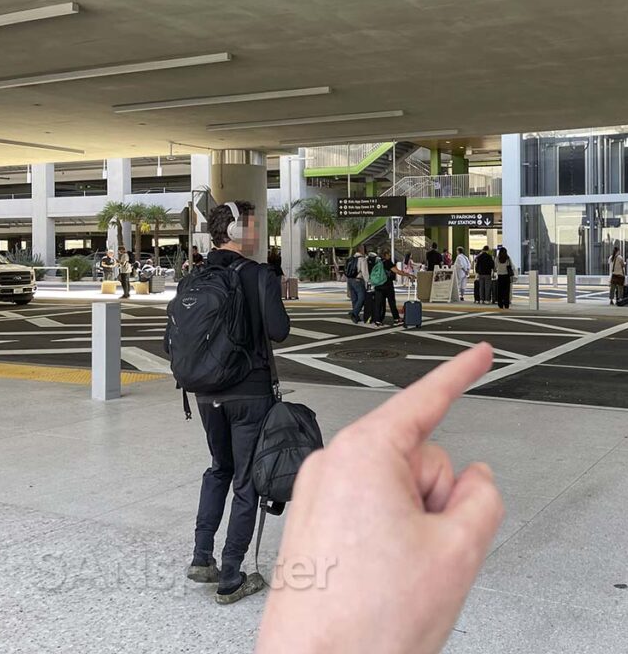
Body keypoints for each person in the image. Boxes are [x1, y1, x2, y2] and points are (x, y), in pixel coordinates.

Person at [256, 343, 503, 652]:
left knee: (229, 472)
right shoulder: (257, 291)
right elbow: (277, 327)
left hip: (213, 397)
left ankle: (220, 557)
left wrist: (295, 635)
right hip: (250, 389)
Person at [183, 201, 291, 604]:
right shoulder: (257, 274)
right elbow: (279, 331)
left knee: (219, 468)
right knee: (246, 480)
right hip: (249, 392)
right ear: (237, 229)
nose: (258, 232)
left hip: (206, 392)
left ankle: (201, 556)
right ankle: (231, 575)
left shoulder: (194, 276)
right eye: (254, 225)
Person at [371, 250, 402, 327]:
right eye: (389, 254)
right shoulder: (388, 262)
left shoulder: (377, 262)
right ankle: (396, 319)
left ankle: (378, 320)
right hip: (387, 286)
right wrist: (408, 275)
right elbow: (397, 272)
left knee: (378, 304)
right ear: (386, 255)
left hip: (378, 286)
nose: (390, 256)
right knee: (392, 303)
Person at [345, 245, 370, 324]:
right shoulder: (362, 259)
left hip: (350, 280)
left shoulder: (350, 259)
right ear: (362, 250)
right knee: (362, 298)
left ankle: (356, 317)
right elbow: (365, 272)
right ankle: (354, 313)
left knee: (354, 299)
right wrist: (368, 282)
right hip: (358, 280)